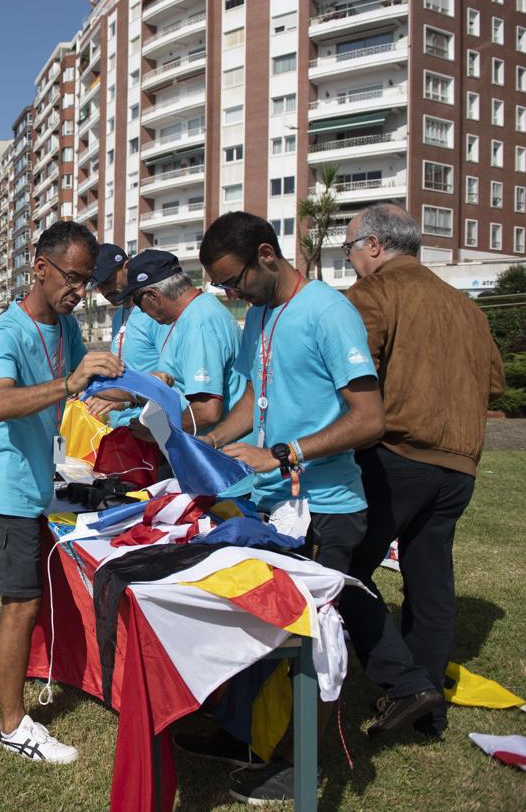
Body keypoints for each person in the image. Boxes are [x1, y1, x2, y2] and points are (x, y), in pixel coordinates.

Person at [191, 211, 386, 803]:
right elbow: (256, 395)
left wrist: (287, 453)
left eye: (235, 281)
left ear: (268, 255)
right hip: (273, 506)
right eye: (222, 286)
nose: (231, 293)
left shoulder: (328, 312)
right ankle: (254, 737)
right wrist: (212, 442)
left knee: (312, 644)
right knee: (260, 630)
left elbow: (370, 419)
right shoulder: (259, 314)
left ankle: (305, 765)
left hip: (326, 506)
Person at [0, 221, 124, 764]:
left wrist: (134, 390)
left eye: (86, 281)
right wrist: (70, 384)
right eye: (74, 278)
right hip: (4, 481)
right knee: (22, 602)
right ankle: (13, 726)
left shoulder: (66, 328)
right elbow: (1, 403)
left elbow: (89, 384)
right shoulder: (4, 333)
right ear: (40, 268)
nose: (80, 291)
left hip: (33, 478)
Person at [339, 203, 504, 740]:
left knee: (342, 571)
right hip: (459, 464)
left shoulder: (377, 292)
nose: (352, 260)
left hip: (398, 453)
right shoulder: (466, 307)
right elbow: (496, 383)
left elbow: (349, 363)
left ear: (375, 246)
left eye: (350, 248)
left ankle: (404, 682)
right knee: (431, 580)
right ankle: (427, 714)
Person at [119, 249, 246, 437]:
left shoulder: (199, 322)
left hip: (220, 453)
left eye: (138, 302)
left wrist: (156, 430)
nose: (142, 312)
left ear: (153, 295)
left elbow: (207, 411)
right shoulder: (191, 315)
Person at [84, 243, 167, 424]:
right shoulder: (117, 316)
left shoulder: (155, 314)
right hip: (118, 429)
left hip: (150, 427)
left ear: (126, 267)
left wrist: (126, 401)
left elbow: (169, 379)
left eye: (107, 281)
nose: (105, 291)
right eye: (98, 286)